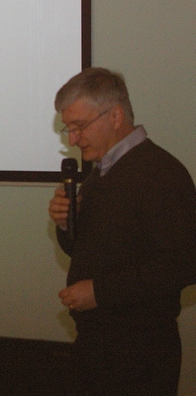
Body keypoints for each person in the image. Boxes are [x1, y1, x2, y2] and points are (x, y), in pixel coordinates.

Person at [47, 67, 196, 395]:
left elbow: (183, 263)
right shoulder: (100, 174)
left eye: (79, 126)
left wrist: (99, 291)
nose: (73, 139)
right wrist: (65, 224)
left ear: (115, 116)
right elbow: (94, 248)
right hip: (98, 347)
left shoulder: (161, 173)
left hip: (141, 356)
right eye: (67, 129)